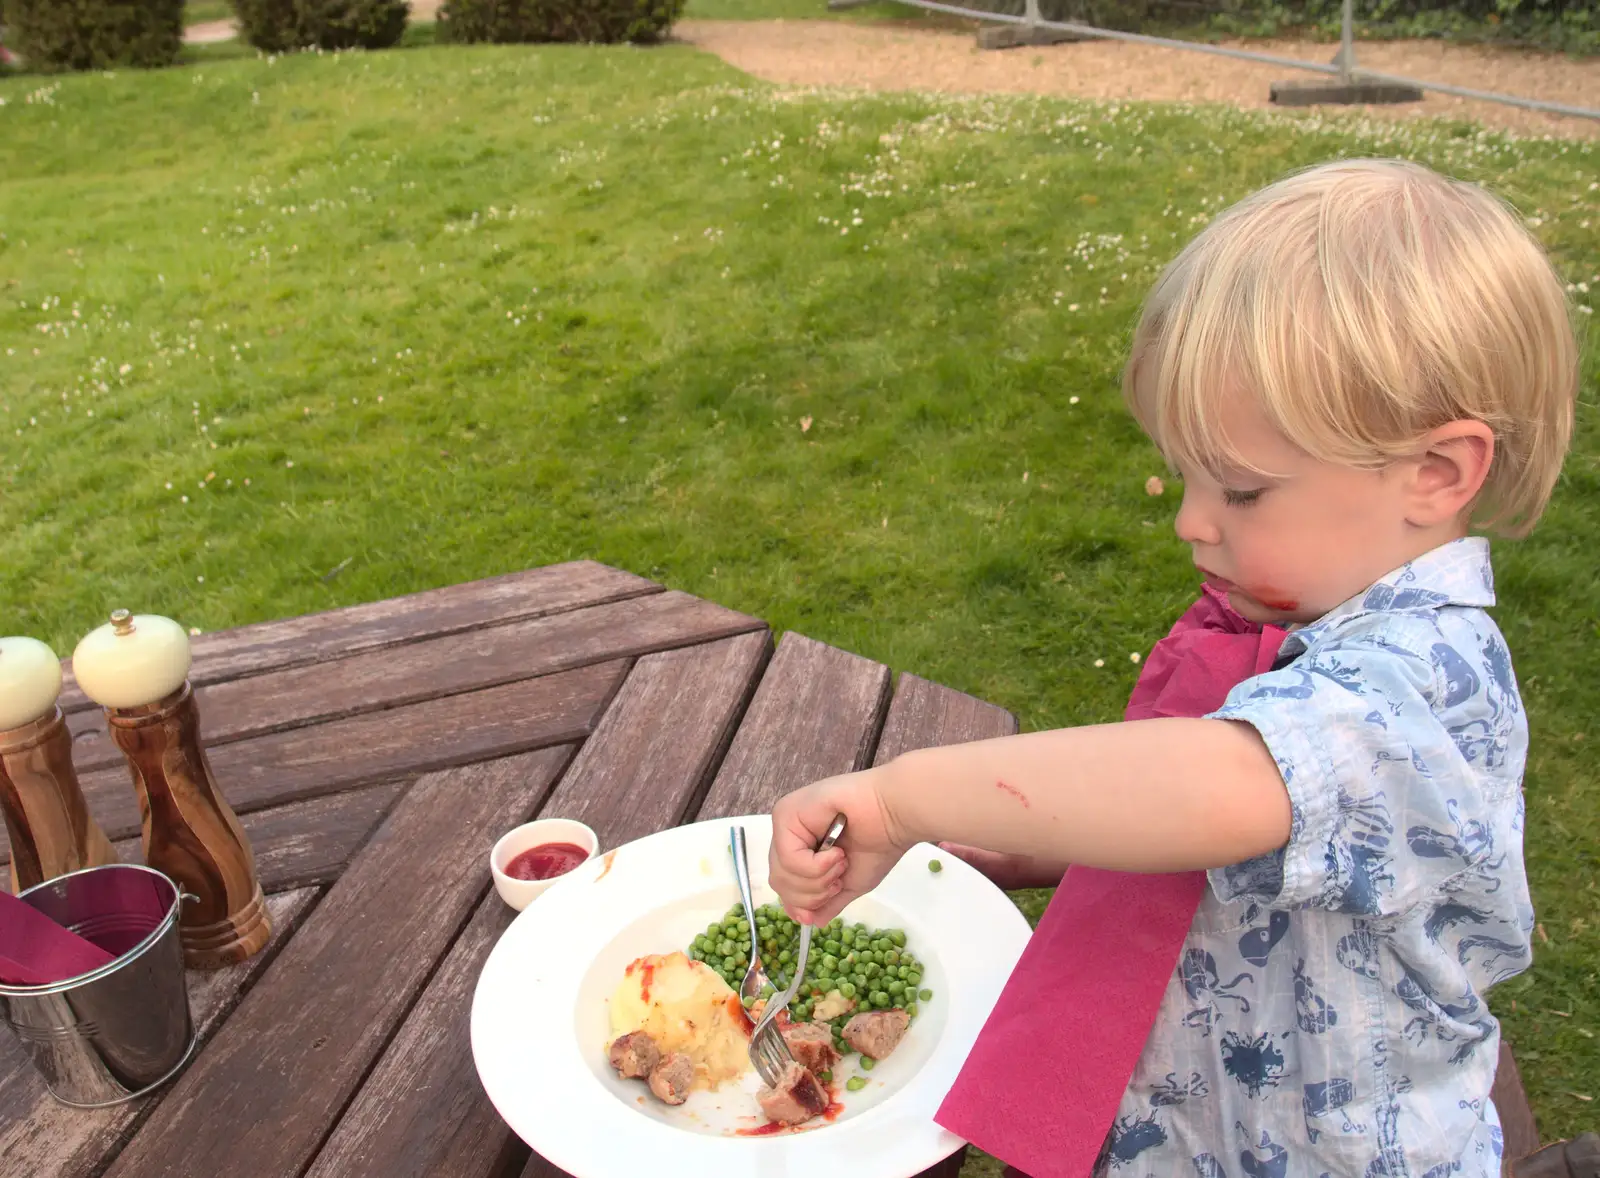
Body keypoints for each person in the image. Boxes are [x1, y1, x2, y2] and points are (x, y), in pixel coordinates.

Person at [766, 158, 1578, 1178]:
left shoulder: (1420, 678)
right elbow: (1200, 834)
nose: (1189, 521)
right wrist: (1021, 846)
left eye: (1238, 489)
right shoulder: (1316, 611)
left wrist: (902, 796)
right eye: (1188, 472)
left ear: (1434, 472)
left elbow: (1218, 788)